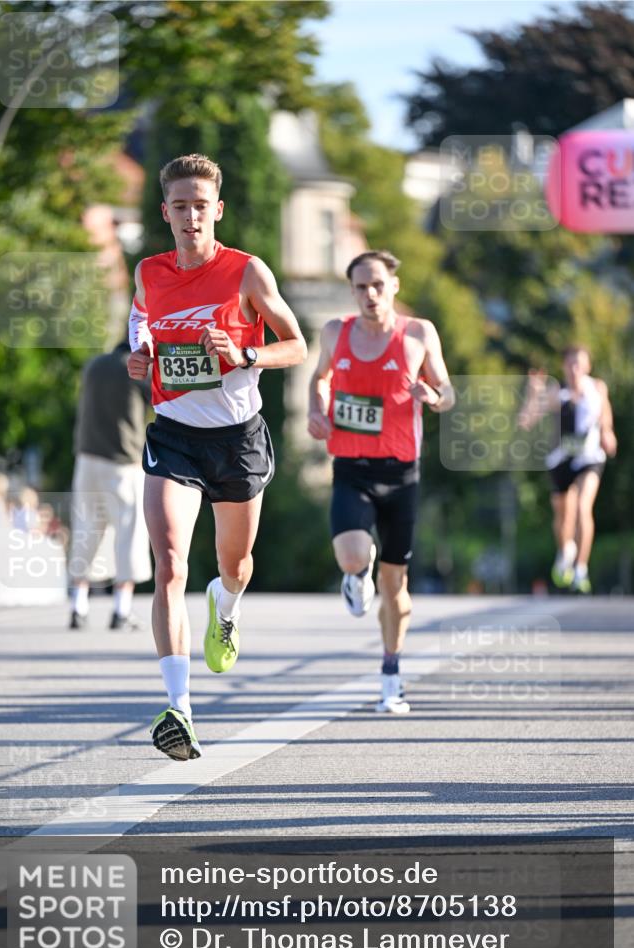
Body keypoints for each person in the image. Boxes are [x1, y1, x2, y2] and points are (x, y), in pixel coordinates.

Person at [127, 153, 306, 761]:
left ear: (217, 210)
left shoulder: (247, 272)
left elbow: (297, 345)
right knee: (170, 564)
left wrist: (246, 355)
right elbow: (141, 326)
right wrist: (141, 358)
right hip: (174, 433)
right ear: (166, 213)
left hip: (237, 438)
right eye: (180, 206)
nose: (191, 216)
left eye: (201, 205)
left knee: (237, 565)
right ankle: (178, 705)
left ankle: (224, 607)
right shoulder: (148, 271)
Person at [308, 250, 454, 714]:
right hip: (352, 468)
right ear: (351, 291)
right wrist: (316, 407)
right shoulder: (336, 332)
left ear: (394, 286)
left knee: (397, 589)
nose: (369, 295)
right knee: (353, 553)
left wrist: (433, 395)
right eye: (360, 287)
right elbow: (319, 378)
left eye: (377, 285)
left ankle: (391, 672)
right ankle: (355, 575)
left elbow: (448, 392)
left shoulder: (418, 334)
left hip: (401, 473)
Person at [69, 337, 153, 629]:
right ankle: (121, 610)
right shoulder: (136, 367)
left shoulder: (93, 366)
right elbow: (161, 399)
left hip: (87, 458)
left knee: (86, 530)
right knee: (129, 534)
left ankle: (78, 606)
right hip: (123, 462)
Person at [518, 345, 617, 594]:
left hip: (590, 457)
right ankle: (566, 551)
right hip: (561, 460)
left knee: (584, 507)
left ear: (587, 366)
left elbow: (605, 416)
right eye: (570, 364)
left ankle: (581, 569)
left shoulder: (598, 388)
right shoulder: (555, 392)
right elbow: (527, 422)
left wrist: (608, 433)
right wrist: (533, 394)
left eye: (579, 364)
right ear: (564, 367)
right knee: (563, 517)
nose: (574, 369)